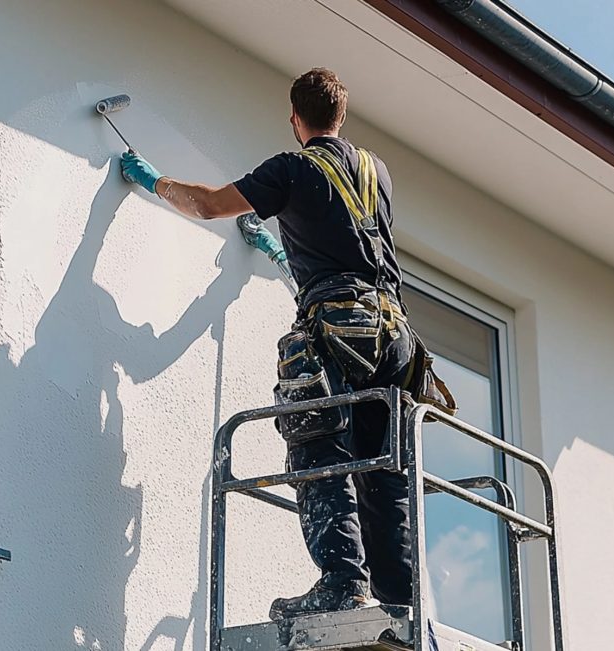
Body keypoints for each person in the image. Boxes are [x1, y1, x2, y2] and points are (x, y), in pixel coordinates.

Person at [120, 68, 443, 619]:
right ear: (341, 115)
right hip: (394, 340)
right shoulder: (376, 172)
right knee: (382, 466)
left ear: (296, 119)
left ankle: (344, 581)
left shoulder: (292, 167)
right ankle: (399, 600)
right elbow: (347, 249)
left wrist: (155, 183)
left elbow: (208, 205)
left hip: (338, 329)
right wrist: (280, 250)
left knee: (318, 445)